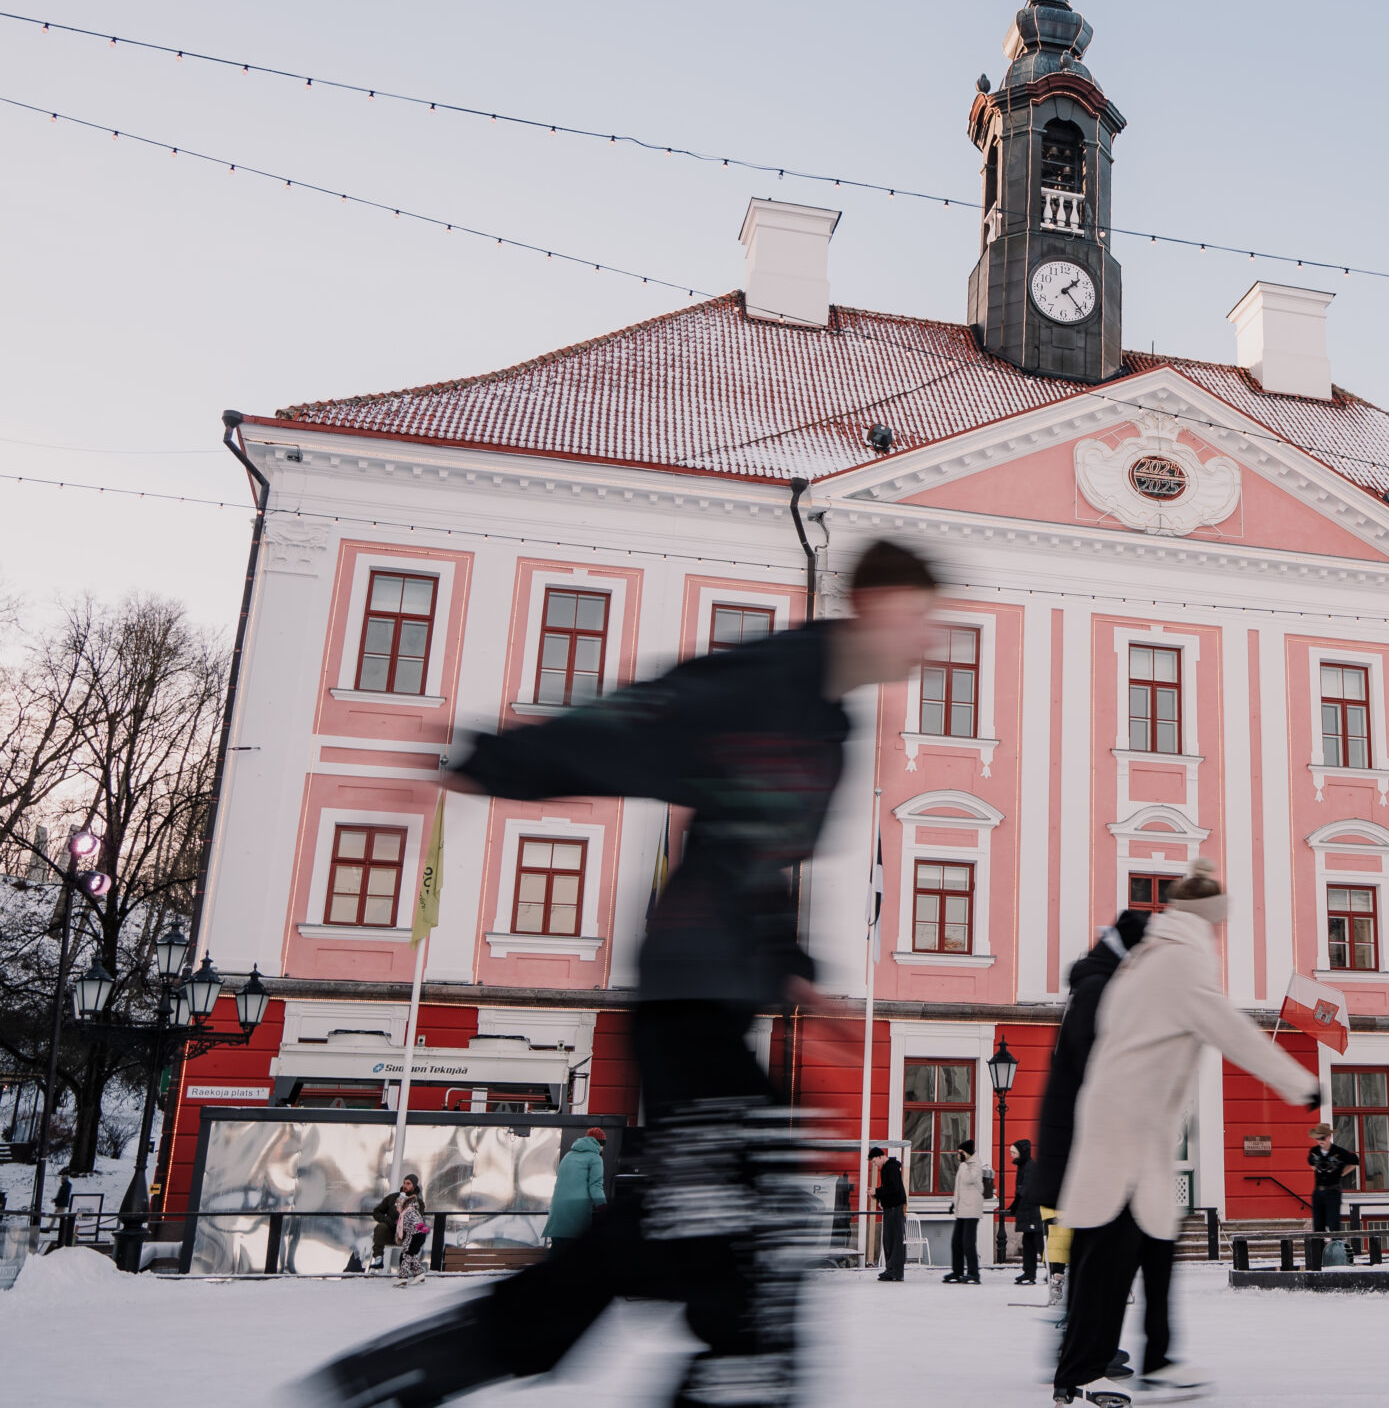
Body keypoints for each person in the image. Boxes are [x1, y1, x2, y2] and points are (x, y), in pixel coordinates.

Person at [300, 540, 943, 1408]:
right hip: (684, 1002)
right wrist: (488, 760)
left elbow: (744, 855)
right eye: (917, 617)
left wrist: (795, 974)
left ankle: (428, 1363)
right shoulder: (769, 679)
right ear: (871, 606)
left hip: (716, 1001)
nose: (928, 641)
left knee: (691, 1231)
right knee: (736, 1230)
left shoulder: (830, 723)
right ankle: (442, 1362)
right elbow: (637, 724)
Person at [1053, 860, 1319, 1403]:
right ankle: (1082, 1372)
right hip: (1127, 1128)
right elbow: (1227, 1027)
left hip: (1131, 1123)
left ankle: (1158, 1360)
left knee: (1154, 1244)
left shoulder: (1153, 953)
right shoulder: (1182, 958)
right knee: (1109, 1252)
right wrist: (1299, 1084)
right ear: (1208, 917)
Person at [1033, 908, 1154, 1308]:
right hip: (1083, 1146)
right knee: (1097, 1251)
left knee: (1097, 1250)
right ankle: (1083, 1354)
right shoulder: (1100, 987)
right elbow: (1097, 1069)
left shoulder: (1096, 982)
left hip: (1083, 1145)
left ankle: (1088, 1348)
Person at [545, 1128, 607, 1248]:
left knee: (557, 1251)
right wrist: (603, 1207)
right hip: (576, 1214)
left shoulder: (569, 1156)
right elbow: (595, 1186)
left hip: (558, 1212)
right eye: (603, 1144)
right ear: (599, 1144)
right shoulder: (595, 1158)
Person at [1306, 1125, 1359, 1260]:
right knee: (1318, 1225)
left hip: (1333, 1191)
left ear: (1329, 1137)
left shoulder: (1339, 1152)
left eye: (1323, 1138)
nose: (1320, 1141)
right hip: (1318, 1192)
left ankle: (1337, 1256)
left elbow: (1355, 1161)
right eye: (1318, 1138)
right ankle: (1317, 1257)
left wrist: (1342, 1173)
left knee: (1333, 1223)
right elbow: (1311, 1163)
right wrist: (1319, 1172)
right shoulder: (1314, 1152)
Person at [946, 1139, 986, 1284]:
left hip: (972, 1209)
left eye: (960, 1152)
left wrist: (963, 1164)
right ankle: (957, 1272)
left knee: (968, 1242)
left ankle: (973, 1273)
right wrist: (953, 1204)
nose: (958, 1155)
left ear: (966, 1153)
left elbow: (969, 1179)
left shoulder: (975, 1165)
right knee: (956, 1242)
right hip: (963, 1208)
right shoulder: (965, 1165)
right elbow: (959, 1188)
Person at [1010, 1141, 1045, 1285]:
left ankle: (1054, 1271)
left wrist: (1015, 1203)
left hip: (1033, 1212)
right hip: (1028, 1211)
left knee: (1040, 1245)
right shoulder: (1024, 1165)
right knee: (1028, 1244)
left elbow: (1025, 1189)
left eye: (1014, 1152)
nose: (1011, 1155)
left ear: (1021, 1153)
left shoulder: (1029, 1167)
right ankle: (1029, 1273)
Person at [872, 1146, 910, 1281]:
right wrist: (879, 1196)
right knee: (889, 1239)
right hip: (892, 1207)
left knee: (894, 1239)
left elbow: (893, 1188)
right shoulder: (889, 1168)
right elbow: (891, 1188)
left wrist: (877, 1192)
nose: (874, 1164)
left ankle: (895, 1271)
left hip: (895, 1207)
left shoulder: (891, 1168)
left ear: (879, 1157)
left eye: (874, 1161)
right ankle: (891, 1269)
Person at [372, 1173, 421, 1275]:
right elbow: (377, 1212)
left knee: (412, 1238)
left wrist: (402, 1212)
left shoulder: (417, 1202)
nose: (405, 1186)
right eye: (404, 1183)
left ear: (414, 1186)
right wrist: (387, 1220)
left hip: (406, 1235)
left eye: (408, 1183)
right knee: (381, 1227)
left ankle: (410, 1269)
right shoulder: (392, 1198)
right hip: (391, 1232)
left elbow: (417, 1219)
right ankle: (378, 1258)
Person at [394, 1180, 432, 1286]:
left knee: (406, 1255)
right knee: (411, 1255)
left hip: (416, 1236)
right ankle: (419, 1274)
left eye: (399, 1203)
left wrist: (420, 1227)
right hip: (413, 1235)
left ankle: (402, 1278)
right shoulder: (404, 1213)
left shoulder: (410, 1210)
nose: (397, 1206)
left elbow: (416, 1221)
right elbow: (405, 1221)